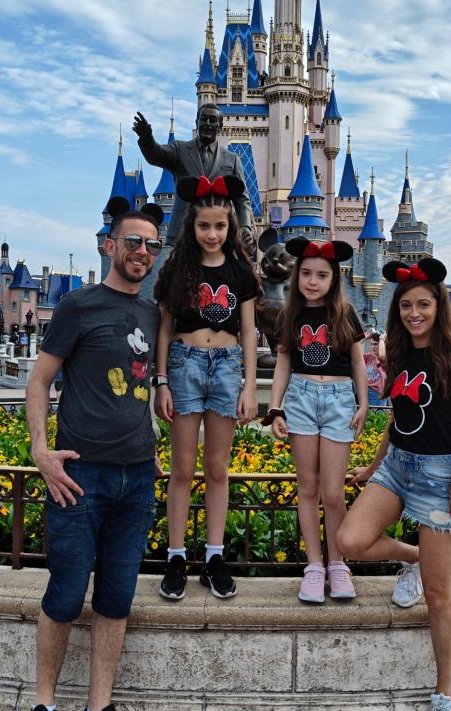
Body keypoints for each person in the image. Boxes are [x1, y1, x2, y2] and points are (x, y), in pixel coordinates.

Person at [18, 200, 163, 711]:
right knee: (65, 592)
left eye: (150, 244)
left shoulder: (154, 314)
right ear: (109, 245)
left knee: (116, 598)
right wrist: (39, 450)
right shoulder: (78, 307)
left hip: (137, 478)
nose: (142, 253)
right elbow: (38, 382)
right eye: (132, 242)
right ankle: (44, 708)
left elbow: (153, 384)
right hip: (81, 478)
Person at [336, 258, 451, 711]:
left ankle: (448, 694)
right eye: (406, 305)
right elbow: (398, 419)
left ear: (439, 306)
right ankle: (412, 558)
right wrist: (372, 465)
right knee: (349, 540)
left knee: (437, 596)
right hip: (398, 467)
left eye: (422, 304)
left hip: (439, 475)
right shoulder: (401, 354)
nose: (413, 313)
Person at [153, 175, 260, 601]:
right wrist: (161, 381)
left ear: (229, 227)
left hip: (227, 366)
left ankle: (214, 556)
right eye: (204, 226)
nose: (212, 234)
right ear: (192, 227)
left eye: (219, 226)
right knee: (181, 468)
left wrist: (250, 385)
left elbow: (250, 331)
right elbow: (164, 329)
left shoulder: (240, 270)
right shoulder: (178, 268)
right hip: (185, 364)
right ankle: (176, 555)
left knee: (217, 468)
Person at [267, 238, 368, 604]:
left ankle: (338, 564)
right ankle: (314, 566)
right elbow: (282, 363)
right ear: (297, 277)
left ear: (333, 279)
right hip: (301, 398)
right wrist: (275, 407)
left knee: (333, 491)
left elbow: (358, 361)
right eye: (306, 274)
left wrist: (363, 401)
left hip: (339, 399)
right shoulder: (289, 315)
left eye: (321, 275)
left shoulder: (345, 313)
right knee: (307, 488)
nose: (312, 281)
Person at [133, 103, 256, 251]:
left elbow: (242, 198)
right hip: (183, 235)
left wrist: (245, 227)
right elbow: (156, 155)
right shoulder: (180, 149)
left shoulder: (232, 159)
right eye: (203, 119)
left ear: (220, 125)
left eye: (213, 120)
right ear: (196, 122)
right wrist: (147, 139)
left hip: (217, 238)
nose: (208, 123)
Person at [363, 329, 388, 407]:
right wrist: (365, 337)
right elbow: (353, 355)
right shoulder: (368, 356)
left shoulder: (385, 358)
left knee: (378, 418)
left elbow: (381, 355)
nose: (373, 347)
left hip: (377, 393)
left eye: (376, 344)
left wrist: (382, 339)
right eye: (371, 344)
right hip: (366, 392)